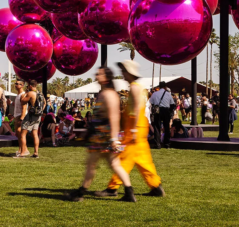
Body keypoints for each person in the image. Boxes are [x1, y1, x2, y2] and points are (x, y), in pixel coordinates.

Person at [65, 67, 136, 203]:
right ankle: (129, 192)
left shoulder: (109, 94)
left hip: (103, 135)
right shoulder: (104, 93)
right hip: (102, 134)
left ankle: (80, 193)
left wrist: (114, 139)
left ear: (106, 77)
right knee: (114, 164)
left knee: (91, 164)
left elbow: (114, 117)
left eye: (100, 73)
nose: (96, 75)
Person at [96, 61, 163, 199]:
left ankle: (113, 187)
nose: (122, 74)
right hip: (139, 128)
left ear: (129, 73)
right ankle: (156, 186)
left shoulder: (134, 87)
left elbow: (137, 109)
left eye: (124, 71)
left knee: (123, 159)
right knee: (143, 160)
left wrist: (132, 130)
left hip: (134, 127)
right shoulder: (138, 87)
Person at [18, 80, 43, 158]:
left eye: (28, 86)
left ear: (30, 86)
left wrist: (25, 94)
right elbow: (44, 103)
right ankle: (36, 153)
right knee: (35, 134)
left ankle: (22, 153)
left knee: (23, 133)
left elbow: (22, 102)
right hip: (38, 116)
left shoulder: (30, 93)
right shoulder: (40, 93)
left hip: (31, 116)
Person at [149, 82, 174, 149]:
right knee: (166, 127)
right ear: (165, 87)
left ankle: (157, 144)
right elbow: (172, 104)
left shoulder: (155, 93)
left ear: (159, 87)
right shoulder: (168, 94)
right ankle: (167, 143)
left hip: (157, 110)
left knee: (157, 127)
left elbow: (151, 102)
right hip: (166, 110)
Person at [13, 79, 29, 157]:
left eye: (18, 84)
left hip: (21, 116)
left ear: (22, 85)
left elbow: (24, 108)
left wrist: (21, 118)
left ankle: (24, 151)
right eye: (15, 83)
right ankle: (21, 150)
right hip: (17, 115)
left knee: (21, 135)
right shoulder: (18, 95)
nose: (16, 85)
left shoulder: (23, 95)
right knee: (18, 135)